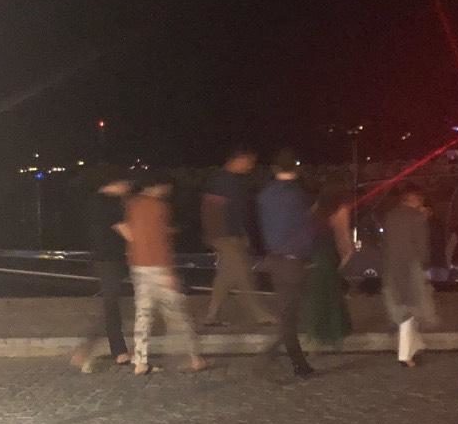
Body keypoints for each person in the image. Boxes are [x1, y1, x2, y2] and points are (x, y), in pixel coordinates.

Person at [121, 170, 207, 375]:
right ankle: (195, 357)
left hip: (138, 266)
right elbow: (160, 241)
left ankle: (140, 361)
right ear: (159, 186)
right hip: (158, 267)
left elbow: (133, 235)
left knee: (143, 315)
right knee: (178, 313)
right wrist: (169, 272)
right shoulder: (159, 207)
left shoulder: (132, 205)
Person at [201, 147, 276, 326]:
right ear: (239, 159)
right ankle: (260, 314)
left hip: (233, 236)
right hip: (225, 238)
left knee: (225, 277)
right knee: (244, 276)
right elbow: (210, 209)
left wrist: (243, 234)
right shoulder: (220, 180)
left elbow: (239, 212)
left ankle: (211, 316)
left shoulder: (235, 181)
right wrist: (216, 238)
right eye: (249, 162)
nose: (251, 166)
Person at [257, 149, 314, 378]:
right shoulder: (299, 196)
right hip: (293, 261)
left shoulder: (265, 195)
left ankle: (296, 361)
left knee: (288, 312)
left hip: (274, 259)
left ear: (274, 169)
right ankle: (292, 361)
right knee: (291, 315)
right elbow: (306, 230)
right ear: (297, 169)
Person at [70, 167, 132, 373]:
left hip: (101, 258)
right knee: (111, 306)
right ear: (116, 183)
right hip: (111, 259)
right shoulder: (109, 203)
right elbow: (127, 233)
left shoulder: (93, 201)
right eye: (126, 183)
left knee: (112, 305)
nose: (127, 188)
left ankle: (118, 351)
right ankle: (89, 350)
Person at [382, 185, 438, 367]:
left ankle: (415, 345)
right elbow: (422, 245)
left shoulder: (390, 216)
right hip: (411, 266)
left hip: (392, 266)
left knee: (403, 306)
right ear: (414, 199)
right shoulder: (417, 217)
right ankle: (405, 354)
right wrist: (425, 264)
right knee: (410, 308)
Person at [302, 185, 353, 347]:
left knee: (317, 296)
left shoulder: (315, 209)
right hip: (329, 254)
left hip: (314, 255)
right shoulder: (340, 210)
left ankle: (315, 334)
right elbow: (342, 235)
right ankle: (335, 334)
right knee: (332, 295)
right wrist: (346, 255)